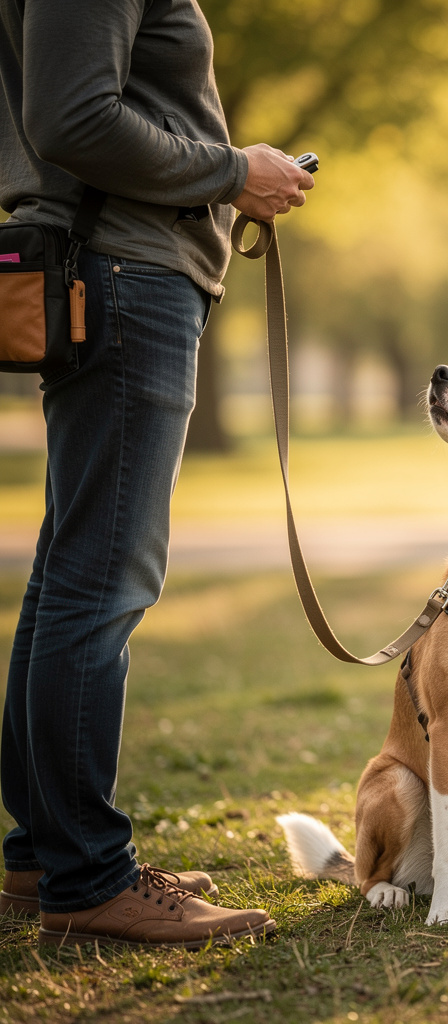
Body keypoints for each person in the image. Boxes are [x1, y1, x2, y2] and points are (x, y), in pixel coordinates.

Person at [0, 0, 313, 946]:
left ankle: (45, 854)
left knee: (71, 573)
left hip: (108, 270)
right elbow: (73, 119)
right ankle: (90, 878)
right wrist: (233, 172)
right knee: (101, 581)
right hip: (126, 276)